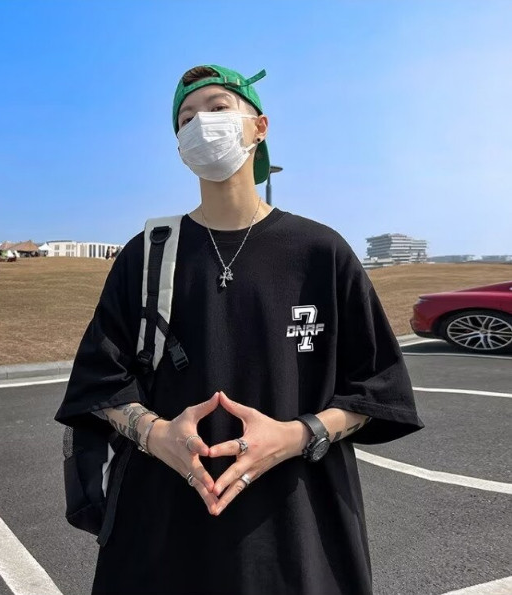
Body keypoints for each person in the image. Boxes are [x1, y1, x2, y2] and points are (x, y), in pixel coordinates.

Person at [54, 64, 424, 595]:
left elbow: (378, 389)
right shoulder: (147, 255)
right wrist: (157, 434)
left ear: (260, 127)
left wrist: (296, 435)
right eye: (185, 118)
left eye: (217, 108)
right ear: (179, 146)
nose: (200, 123)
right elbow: (98, 383)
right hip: (160, 527)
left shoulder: (321, 252)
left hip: (298, 526)